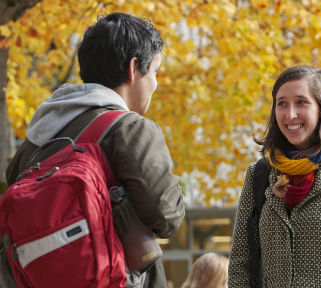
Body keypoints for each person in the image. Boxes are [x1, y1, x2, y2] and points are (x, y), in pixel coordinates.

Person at [2, 12, 185, 287]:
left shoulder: (31, 147)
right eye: (155, 71)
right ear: (134, 68)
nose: (156, 83)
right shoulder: (130, 130)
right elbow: (166, 215)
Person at [228, 65, 321, 287]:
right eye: (281, 103)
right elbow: (240, 262)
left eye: (301, 102)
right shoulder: (260, 174)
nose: (290, 114)